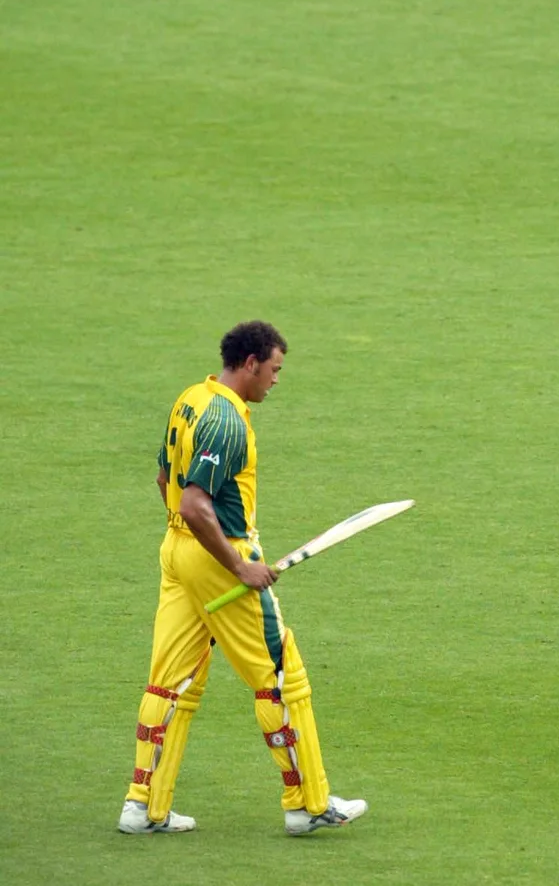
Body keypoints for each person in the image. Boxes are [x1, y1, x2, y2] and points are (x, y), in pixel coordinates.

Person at [107, 321, 367, 837]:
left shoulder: (191, 399)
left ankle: (143, 806)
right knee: (279, 678)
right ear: (250, 364)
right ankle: (308, 803)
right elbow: (195, 501)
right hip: (216, 553)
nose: (276, 379)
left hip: (176, 552)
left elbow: (165, 479)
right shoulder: (227, 422)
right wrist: (236, 564)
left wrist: (187, 545)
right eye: (274, 369)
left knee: (171, 681)